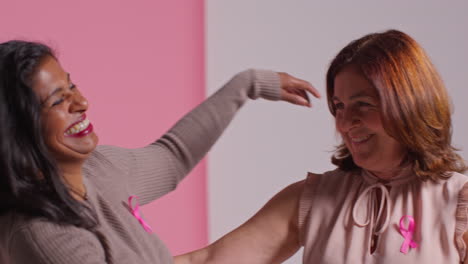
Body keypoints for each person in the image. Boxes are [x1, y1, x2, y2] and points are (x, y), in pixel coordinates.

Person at [0, 40, 320, 264]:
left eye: (72, 86)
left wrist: (248, 84)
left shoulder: (99, 169)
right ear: (18, 130)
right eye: (58, 101)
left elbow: (171, 158)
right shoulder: (42, 236)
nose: (81, 103)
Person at [175, 29, 468, 264]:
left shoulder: (459, 203)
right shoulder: (312, 199)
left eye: (362, 105)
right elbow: (208, 260)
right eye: (339, 106)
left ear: (409, 106)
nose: (345, 123)